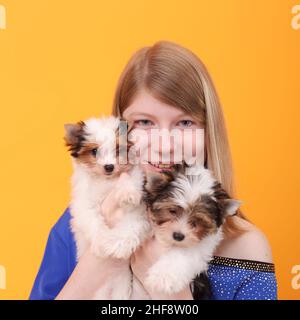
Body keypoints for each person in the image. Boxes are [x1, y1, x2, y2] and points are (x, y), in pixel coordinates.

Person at [29, 41, 277, 300]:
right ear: (119, 132)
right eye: (144, 122)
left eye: (184, 122)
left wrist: (173, 293)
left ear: (209, 133)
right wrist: (99, 262)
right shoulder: (78, 224)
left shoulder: (246, 249)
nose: (165, 145)